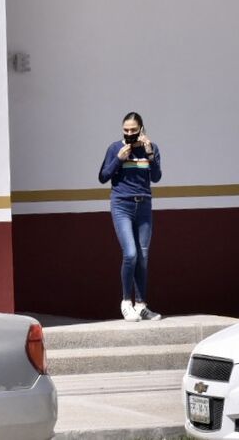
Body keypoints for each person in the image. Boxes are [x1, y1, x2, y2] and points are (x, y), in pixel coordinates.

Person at [98, 112, 163, 322]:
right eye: (126, 130)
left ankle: (141, 305)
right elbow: (103, 177)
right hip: (122, 205)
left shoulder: (151, 148)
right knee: (131, 254)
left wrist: (150, 154)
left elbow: (156, 177)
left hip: (143, 205)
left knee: (143, 256)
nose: (129, 133)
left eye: (133, 130)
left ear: (141, 129)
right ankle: (126, 302)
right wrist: (119, 159)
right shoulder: (115, 148)